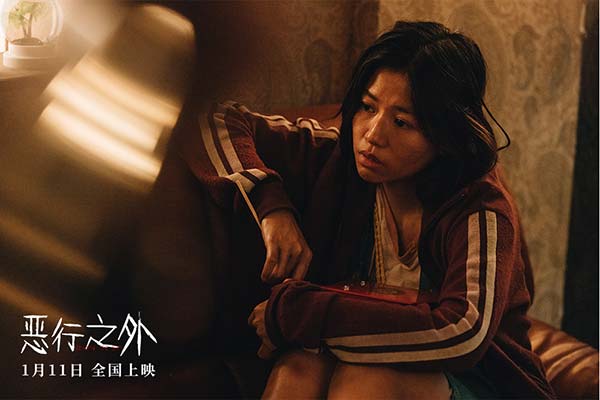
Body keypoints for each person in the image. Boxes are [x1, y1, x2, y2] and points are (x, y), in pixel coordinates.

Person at [182, 21, 555, 399]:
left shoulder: (479, 207)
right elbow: (207, 119)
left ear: (444, 135)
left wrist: (305, 314)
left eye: (402, 122)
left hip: (480, 381)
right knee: (298, 367)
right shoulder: (336, 156)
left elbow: (463, 333)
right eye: (367, 106)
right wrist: (272, 207)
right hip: (355, 363)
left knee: (367, 381)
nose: (373, 135)